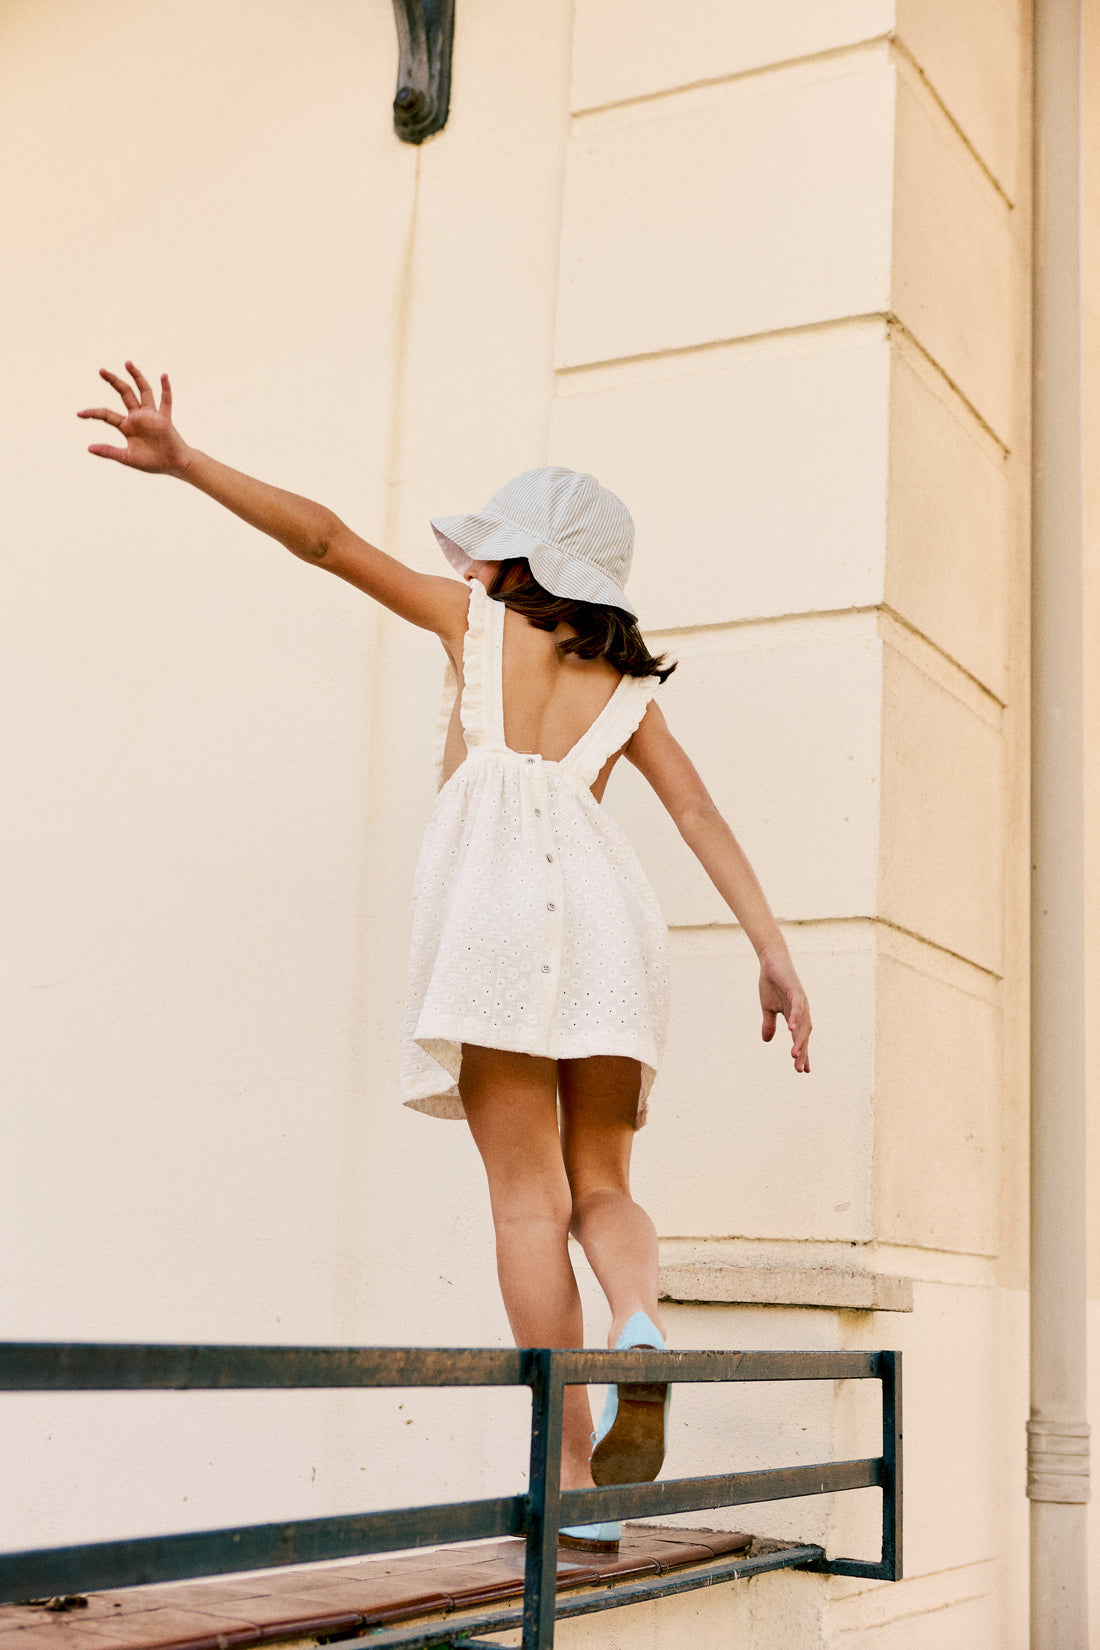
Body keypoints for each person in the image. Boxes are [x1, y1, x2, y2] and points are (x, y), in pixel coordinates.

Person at [78, 363, 813, 1551]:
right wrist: (773, 954)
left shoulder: (473, 627)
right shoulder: (627, 691)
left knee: (526, 1205)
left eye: (488, 550)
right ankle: (638, 1324)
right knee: (606, 1188)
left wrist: (189, 461)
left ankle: (575, 1487)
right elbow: (698, 819)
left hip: (496, 929)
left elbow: (323, 540)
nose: (471, 567)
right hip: (609, 936)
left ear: (521, 565)